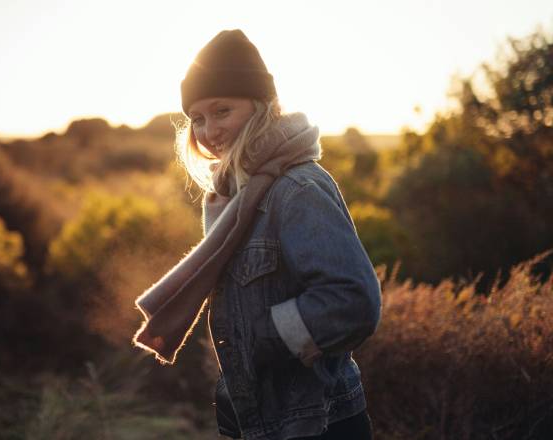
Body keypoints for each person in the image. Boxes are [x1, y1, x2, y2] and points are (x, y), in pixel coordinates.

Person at [133, 29, 382, 440]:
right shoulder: (232, 195)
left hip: (318, 424)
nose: (209, 131)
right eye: (198, 118)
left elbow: (352, 300)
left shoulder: (297, 188)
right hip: (257, 422)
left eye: (222, 110)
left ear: (261, 106)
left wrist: (265, 338)